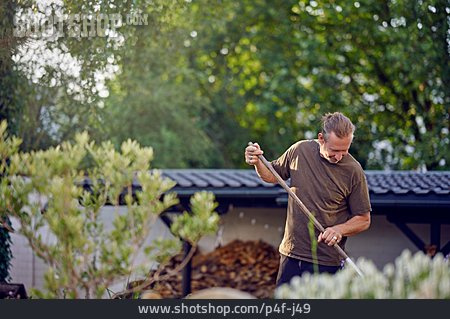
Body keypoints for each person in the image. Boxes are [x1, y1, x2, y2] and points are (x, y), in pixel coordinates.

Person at [244, 112, 371, 286]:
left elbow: (363, 219)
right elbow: (272, 175)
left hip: (328, 261)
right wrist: (257, 162)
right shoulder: (300, 151)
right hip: (292, 254)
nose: (339, 156)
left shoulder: (354, 171)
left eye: (345, 150)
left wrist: (339, 230)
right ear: (321, 138)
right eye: (334, 150)